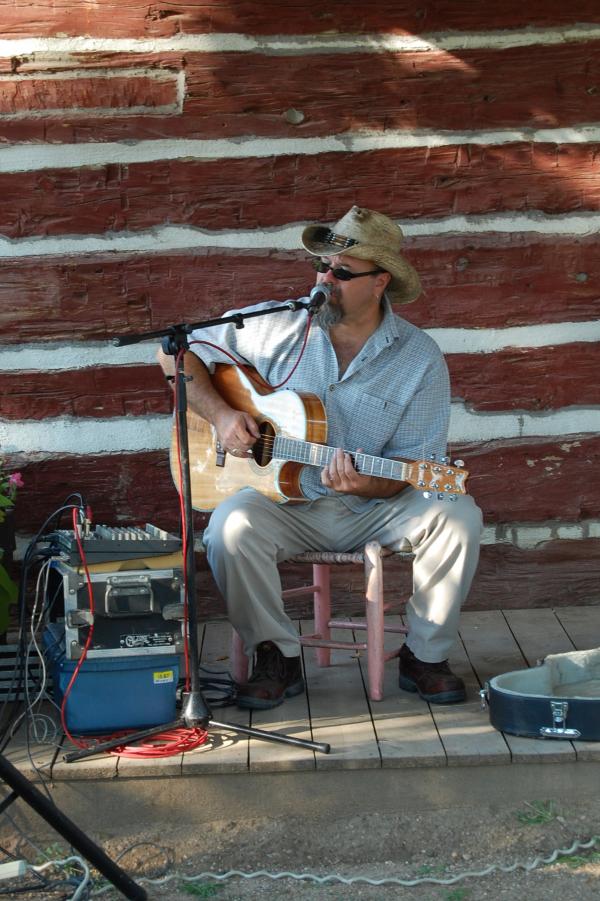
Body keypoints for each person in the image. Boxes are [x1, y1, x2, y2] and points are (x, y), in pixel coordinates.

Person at [158, 206, 483, 710]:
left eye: (342, 273)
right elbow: (176, 354)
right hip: (283, 505)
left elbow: (415, 463)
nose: (325, 279)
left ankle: (425, 657)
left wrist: (367, 485)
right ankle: (277, 655)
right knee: (228, 528)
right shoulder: (275, 326)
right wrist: (222, 416)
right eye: (321, 267)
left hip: (370, 508)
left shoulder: (419, 358)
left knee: (459, 514)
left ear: (381, 282)